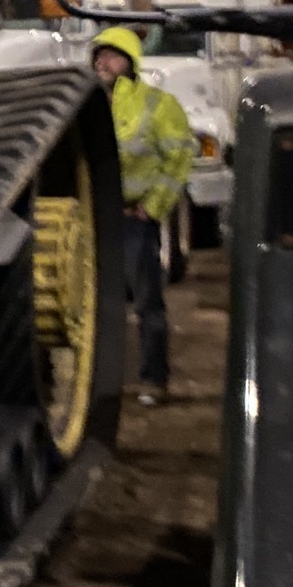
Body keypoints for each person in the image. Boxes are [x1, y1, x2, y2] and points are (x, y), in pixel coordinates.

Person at [90, 26, 195, 404]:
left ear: (131, 63)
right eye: (99, 54)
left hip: (134, 221)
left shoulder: (156, 104)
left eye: (112, 55)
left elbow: (181, 155)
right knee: (99, 307)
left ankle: (154, 380)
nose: (103, 61)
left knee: (147, 304)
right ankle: (104, 388)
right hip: (94, 220)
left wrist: (152, 208)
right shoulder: (85, 105)